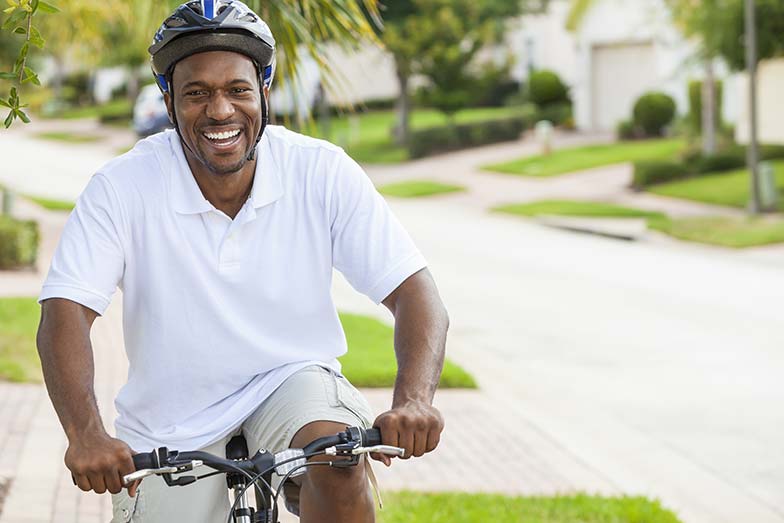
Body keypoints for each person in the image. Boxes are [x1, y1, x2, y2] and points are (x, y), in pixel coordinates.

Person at [35, 1, 449, 522]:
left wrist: (414, 400)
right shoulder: (120, 188)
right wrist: (86, 434)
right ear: (168, 102)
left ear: (264, 94)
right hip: (170, 420)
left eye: (237, 90)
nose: (221, 110)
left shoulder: (318, 170)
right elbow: (65, 312)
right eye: (196, 93)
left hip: (290, 383)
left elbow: (415, 291)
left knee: (337, 456)